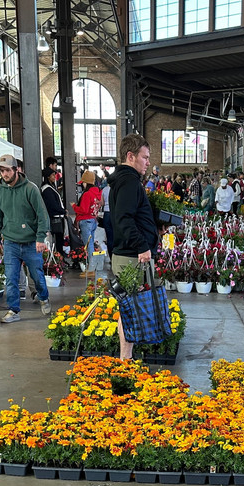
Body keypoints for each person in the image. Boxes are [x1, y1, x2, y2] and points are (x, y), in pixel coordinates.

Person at [108, 133, 158, 361]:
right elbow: (124, 219)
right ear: (131, 156)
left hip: (129, 255)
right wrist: (142, 246)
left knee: (130, 308)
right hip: (132, 257)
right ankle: (125, 360)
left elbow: (130, 216)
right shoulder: (128, 181)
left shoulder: (125, 181)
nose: (148, 162)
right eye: (145, 157)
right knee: (130, 310)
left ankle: (126, 358)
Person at [0, 154, 50, 324]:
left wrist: (40, 238)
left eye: (8, 170)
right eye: (2, 171)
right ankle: (13, 309)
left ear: (16, 170)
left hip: (31, 242)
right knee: (11, 278)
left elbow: (42, 215)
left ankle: (44, 298)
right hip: (10, 242)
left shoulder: (30, 189)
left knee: (37, 276)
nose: (4, 174)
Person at [71, 169, 102, 254]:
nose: (82, 185)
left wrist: (74, 206)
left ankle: (91, 265)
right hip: (93, 221)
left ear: (86, 182)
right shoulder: (98, 193)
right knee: (91, 244)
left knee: (88, 246)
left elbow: (83, 210)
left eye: (83, 182)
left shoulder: (87, 194)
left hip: (86, 221)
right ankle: (93, 264)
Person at [41, 168, 66, 251]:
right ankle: (59, 257)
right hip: (54, 218)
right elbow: (52, 204)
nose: (54, 177)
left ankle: (59, 256)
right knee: (57, 240)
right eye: (52, 175)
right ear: (48, 177)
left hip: (57, 216)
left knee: (59, 240)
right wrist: (63, 211)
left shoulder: (51, 187)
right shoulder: (47, 189)